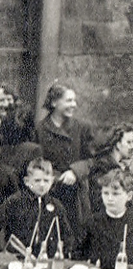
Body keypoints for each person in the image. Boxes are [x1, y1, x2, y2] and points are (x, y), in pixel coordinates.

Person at [36, 83, 95, 231]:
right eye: (69, 101)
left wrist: (75, 171)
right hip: (50, 191)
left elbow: (93, 159)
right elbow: (36, 161)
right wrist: (53, 176)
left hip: (77, 196)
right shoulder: (40, 129)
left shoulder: (82, 127)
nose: (73, 105)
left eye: (74, 101)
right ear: (54, 102)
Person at [0, 157, 72, 258]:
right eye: (37, 180)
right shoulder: (15, 201)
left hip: (46, 260)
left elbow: (67, 236)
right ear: (27, 181)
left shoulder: (56, 206)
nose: (42, 185)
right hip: (17, 259)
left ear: (52, 181)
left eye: (46, 180)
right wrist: (1, 253)